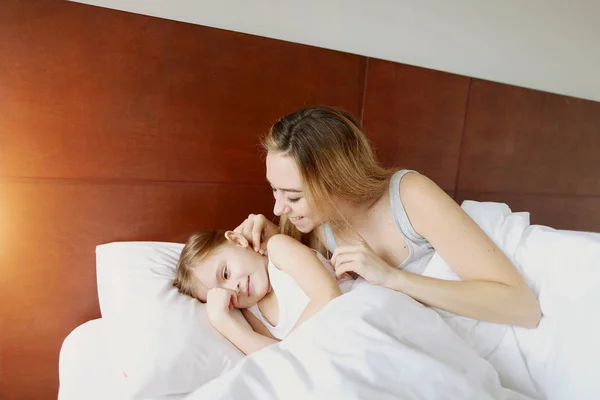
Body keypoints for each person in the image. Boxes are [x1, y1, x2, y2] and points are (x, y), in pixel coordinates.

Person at [234, 106, 542, 329]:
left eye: (294, 196)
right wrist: (272, 238)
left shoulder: (411, 196)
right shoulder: (316, 223)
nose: (278, 208)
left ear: (338, 179)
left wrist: (393, 278)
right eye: (274, 190)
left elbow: (521, 306)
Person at [172, 230, 352, 355]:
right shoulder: (252, 314)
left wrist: (288, 350)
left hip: (354, 318)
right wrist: (221, 320)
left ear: (237, 241)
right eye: (223, 292)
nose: (233, 288)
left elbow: (328, 295)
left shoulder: (278, 249)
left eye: (226, 273)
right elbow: (274, 357)